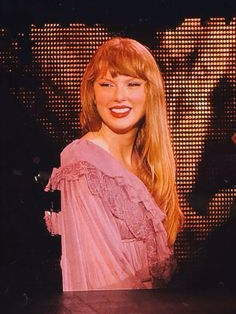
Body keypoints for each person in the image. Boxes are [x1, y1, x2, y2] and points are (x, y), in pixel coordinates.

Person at [44, 37, 183, 291]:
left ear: (149, 91)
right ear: (93, 93)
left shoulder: (148, 164)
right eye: (107, 84)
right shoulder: (82, 162)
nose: (119, 96)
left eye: (132, 84)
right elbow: (103, 281)